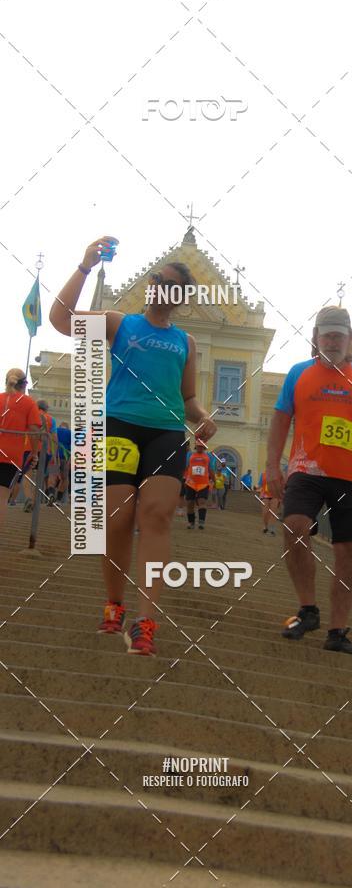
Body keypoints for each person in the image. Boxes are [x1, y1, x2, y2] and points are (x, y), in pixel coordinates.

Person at [49, 236, 217, 655]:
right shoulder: (119, 323)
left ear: (179, 298)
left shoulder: (186, 343)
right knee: (117, 518)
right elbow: (60, 319)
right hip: (118, 425)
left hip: (165, 432)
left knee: (158, 516)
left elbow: (188, 398)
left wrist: (203, 417)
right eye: (157, 277)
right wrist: (85, 265)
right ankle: (115, 603)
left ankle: (145, 621)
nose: (157, 283)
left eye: (168, 283)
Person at [266, 305, 352, 655]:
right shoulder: (299, 374)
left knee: (349, 551)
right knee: (294, 525)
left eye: (340, 335)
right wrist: (271, 467)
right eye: (327, 335)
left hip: (350, 476)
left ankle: (337, 631)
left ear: (351, 340)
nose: (333, 341)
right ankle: (308, 609)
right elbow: (280, 420)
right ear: (316, 338)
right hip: (306, 470)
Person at [0, 369, 41, 531]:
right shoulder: (29, 403)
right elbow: (34, 430)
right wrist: (34, 453)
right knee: (2, 497)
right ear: (24, 384)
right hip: (10, 456)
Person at [183, 437, 213, 529]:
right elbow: (186, 467)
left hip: (203, 483)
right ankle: (191, 522)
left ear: (204, 447)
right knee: (189, 503)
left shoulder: (208, 456)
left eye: (201, 446)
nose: (200, 448)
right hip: (191, 483)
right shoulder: (190, 455)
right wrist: (183, 478)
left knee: (202, 501)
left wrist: (213, 481)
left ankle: (201, 522)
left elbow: (211, 469)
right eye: (198, 446)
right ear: (195, 446)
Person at [258, 470, 279, 535]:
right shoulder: (263, 474)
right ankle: (265, 526)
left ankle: (272, 528)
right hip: (265, 495)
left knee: (273, 512)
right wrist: (256, 487)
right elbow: (260, 484)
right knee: (265, 512)